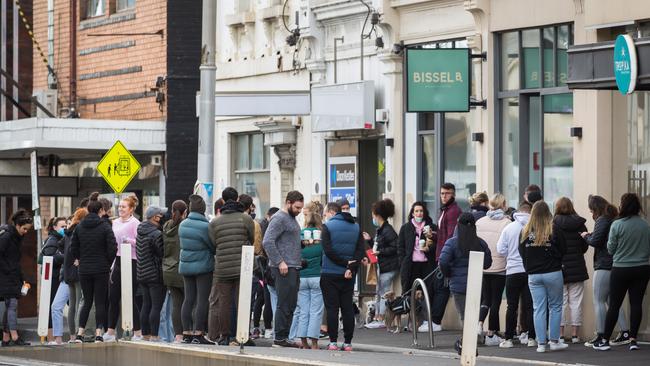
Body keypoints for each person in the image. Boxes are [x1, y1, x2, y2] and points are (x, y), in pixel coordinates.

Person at [593, 193, 650, 352]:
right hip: (642, 268)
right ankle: (633, 340)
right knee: (636, 303)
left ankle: (604, 340)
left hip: (621, 269)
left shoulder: (617, 225)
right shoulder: (645, 225)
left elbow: (610, 249)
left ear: (622, 206)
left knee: (615, 304)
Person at [518, 201, 568, 353]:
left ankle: (540, 343)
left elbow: (521, 251)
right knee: (555, 306)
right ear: (548, 213)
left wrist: (529, 266)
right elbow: (563, 249)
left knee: (538, 308)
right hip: (553, 272)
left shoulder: (525, 231)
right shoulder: (554, 229)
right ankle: (554, 341)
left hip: (533, 274)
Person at [439, 212, 492, 353]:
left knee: (465, 316)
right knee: (472, 317)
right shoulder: (480, 243)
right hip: (476, 283)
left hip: (458, 285)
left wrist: (449, 274)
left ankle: (467, 346)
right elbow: (487, 264)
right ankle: (468, 344)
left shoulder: (452, 242)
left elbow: (443, 261)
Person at [208, 187, 255, 345]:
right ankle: (241, 336)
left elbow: (213, 244)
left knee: (224, 303)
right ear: (237, 200)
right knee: (242, 301)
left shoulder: (214, 222)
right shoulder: (246, 219)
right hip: (243, 267)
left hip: (222, 268)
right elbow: (251, 239)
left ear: (222, 200)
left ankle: (224, 336)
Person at [581, 195, 630, 347]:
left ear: (596, 209)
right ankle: (625, 332)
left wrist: (586, 237)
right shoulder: (613, 218)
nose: (591, 214)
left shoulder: (603, 220)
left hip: (604, 265)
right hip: (615, 264)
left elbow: (596, 241)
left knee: (599, 301)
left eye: (591, 210)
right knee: (612, 301)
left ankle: (601, 335)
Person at [71, 194, 118, 342]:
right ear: (100, 211)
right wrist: (107, 262)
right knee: (100, 302)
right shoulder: (105, 226)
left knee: (86, 301)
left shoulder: (79, 227)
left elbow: (73, 247)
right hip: (101, 269)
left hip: (84, 269)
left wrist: (80, 258)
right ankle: (99, 333)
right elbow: (113, 247)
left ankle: (80, 333)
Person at [320, 202, 365, 352]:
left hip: (330, 273)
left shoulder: (327, 227)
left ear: (332, 213)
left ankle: (333, 342)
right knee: (347, 308)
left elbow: (327, 251)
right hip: (349, 274)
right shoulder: (356, 227)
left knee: (332, 309)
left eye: (326, 213)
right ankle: (348, 343)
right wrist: (350, 266)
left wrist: (344, 263)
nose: (325, 217)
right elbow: (360, 251)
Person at [263, 191, 304, 348]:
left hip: (293, 265)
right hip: (284, 268)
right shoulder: (280, 218)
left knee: (291, 303)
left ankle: (284, 337)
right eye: (297, 207)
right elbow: (267, 241)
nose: (299, 211)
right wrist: (280, 262)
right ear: (288, 203)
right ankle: (279, 338)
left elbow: (285, 241)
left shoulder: (291, 219)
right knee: (284, 303)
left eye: (301, 208)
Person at [496, 202, 537, 348]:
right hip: (529, 271)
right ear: (530, 212)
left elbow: (500, 249)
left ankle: (508, 338)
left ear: (519, 211)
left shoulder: (509, 227)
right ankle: (532, 337)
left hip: (512, 271)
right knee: (530, 306)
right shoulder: (534, 228)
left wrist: (511, 255)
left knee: (511, 306)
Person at [105, 195, 142, 342]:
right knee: (113, 297)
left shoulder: (135, 223)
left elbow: (139, 242)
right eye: (119, 206)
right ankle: (110, 332)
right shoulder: (114, 223)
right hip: (117, 260)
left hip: (131, 261)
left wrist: (129, 241)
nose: (120, 209)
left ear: (131, 209)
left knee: (129, 297)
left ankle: (137, 332)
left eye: (124, 207)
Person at [179, 195, 215, 345]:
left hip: (186, 266)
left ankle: (186, 333)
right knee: (202, 300)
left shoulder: (183, 224)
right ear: (203, 210)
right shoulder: (206, 226)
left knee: (188, 299)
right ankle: (198, 333)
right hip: (203, 267)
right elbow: (212, 246)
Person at [476, 193, 510, 346]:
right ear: (503, 205)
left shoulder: (480, 222)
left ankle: (479, 324)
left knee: (485, 299)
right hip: (499, 267)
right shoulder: (507, 223)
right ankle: (491, 333)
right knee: (496, 300)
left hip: (483, 266)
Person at [553, 197, 589, 344]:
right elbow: (585, 245)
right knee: (576, 302)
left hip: (559, 268)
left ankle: (560, 334)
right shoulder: (580, 224)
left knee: (560, 303)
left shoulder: (553, 223)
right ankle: (575, 335)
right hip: (578, 267)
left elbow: (553, 245)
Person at [289, 201, 324, 349]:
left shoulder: (299, 235)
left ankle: (303, 341)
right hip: (317, 276)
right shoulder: (322, 236)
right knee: (315, 311)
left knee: (303, 310)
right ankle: (314, 342)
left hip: (302, 277)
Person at [397, 201, 437, 331]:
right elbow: (400, 247)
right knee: (410, 292)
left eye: (421, 211)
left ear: (424, 213)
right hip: (411, 265)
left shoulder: (431, 227)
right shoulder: (406, 228)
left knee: (427, 292)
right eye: (416, 211)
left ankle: (426, 320)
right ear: (412, 213)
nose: (419, 213)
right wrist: (403, 261)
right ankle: (411, 321)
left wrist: (429, 249)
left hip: (427, 265)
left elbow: (437, 245)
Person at [430, 183, 462, 332]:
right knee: (439, 287)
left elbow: (451, 237)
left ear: (453, 194)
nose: (444, 196)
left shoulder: (453, 211)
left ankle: (435, 321)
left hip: (446, 256)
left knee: (442, 289)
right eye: (442, 193)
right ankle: (434, 320)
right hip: (441, 254)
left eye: (447, 193)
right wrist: (433, 236)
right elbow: (443, 235)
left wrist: (445, 258)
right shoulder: (444, 210)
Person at [363, 198, 399, 329]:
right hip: (384, 266)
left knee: (383, 292)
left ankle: (382, 318)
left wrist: (380, 252)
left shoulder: (387, 230)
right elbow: (378, 248)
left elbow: (395, 248)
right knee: (380, 291)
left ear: (377, 215)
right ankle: (379, 316)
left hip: (388, 267)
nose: (372, 216)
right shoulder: (382, 229)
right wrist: (370, 241)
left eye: (373, 214)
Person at [0, 210, 33, 346]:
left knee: (10, 306)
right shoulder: (7, 236)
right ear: (17, 226)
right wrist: (8, 270)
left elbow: (15, 260)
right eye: (24, 228)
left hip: (12, 276)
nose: (25, 232)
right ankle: (14, 336)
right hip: (5, 276)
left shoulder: (16, 237)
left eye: (27, 230)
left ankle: (6, 337)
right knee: (12, 305)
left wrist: (21, 278)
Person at [136, 206, 167, 341]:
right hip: (154, 274)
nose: (162, 218)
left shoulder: (140, 231)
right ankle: (154, 335)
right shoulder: (156, 234)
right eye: (160, 216)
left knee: (146, 304)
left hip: (142, 273)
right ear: (155, 217)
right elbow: (162, 253)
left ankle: (145, 334)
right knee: (156, 305)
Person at [163, 200, 187, 343]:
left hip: (168, 269)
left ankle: (178, 336)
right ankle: (187, 331)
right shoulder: (184, 227)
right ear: (185, 212)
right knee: (188, 302)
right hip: (181, 269)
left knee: (176, 304)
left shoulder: (166, 226)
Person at [42, 216, 67, 344]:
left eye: (65, 226)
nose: (64, 228)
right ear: (55, 227)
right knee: (54, 305)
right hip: (54, 278)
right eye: (62, 226)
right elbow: (50, 256)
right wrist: (64, 258)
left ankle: (54, 337)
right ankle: (51, 337)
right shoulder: (53, 239)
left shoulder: (61, 238)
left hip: (59, 276)